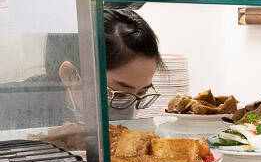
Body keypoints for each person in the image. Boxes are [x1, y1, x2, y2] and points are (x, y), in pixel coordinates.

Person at [0, 8, 162, 130]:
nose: (130, 110)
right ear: (70, 75)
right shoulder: (11, 110)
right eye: (119, 94)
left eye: (141, 94)